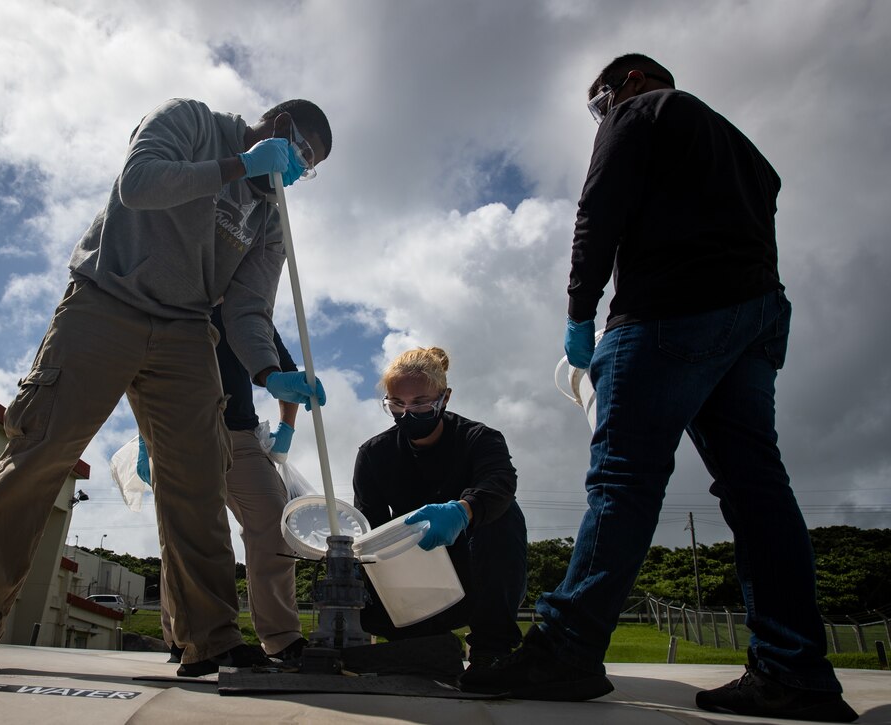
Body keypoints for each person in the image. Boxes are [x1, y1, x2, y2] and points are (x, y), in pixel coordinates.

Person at [459, 54, 857, 722]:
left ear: (632, 81)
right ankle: (795, 671)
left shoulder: (639, 111)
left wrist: (581, 313)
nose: (599, 116)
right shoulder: (745, 153)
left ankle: (567, 647)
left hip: (668, 313)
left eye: (599, 102)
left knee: (624, 481)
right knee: (758, 490)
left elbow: (599, 209)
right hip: (755, 316)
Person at [0, 98, 332, 677]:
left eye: (307, 169)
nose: (298, 172)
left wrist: (269, 373)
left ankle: (210, 641)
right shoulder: (191, 121)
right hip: (104, 301)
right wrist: (239, 164)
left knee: (197, 481)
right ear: (280, 127)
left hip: (188, 327)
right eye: (302, 155)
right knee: (41, 453)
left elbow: (246, 310)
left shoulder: (271, 219)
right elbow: (139, 184)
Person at [147, 305, 307, 665]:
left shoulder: (248, 314)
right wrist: (146, 441)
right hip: (180, 433)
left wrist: (287, 430)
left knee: (274, 522)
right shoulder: (176, 301)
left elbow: (288, 375)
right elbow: (143, 375)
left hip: (241, 435)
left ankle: (282, 638)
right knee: (184, 530)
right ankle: (182, 636)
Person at [352, 347, 527, 671]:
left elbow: (500, 482)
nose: (407, 413)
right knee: (360, 554)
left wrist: (463, 511)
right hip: (412, 583)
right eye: (397, 404)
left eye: (420, 402)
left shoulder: (479, 439)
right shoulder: (375, 454)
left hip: (476, 578)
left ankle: (491, 649)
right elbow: (369, 528)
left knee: (505, 513)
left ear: (444, 398)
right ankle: (413, 643)